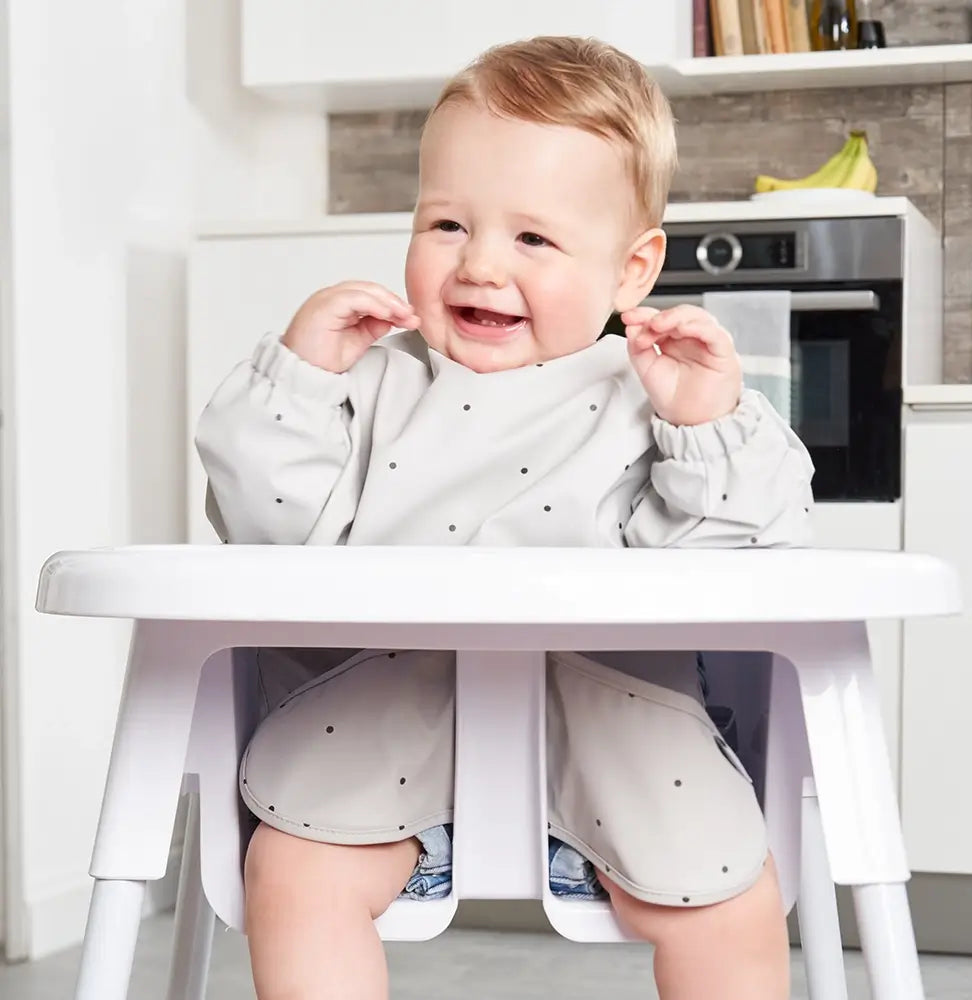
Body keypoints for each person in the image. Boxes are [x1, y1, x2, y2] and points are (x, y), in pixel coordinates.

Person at [196, 35, 814, 1000]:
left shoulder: (658, 392)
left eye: (533, 238)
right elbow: (268, 535)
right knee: (290, 872)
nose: (479, 263)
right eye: (446, 224)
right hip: (383, 729)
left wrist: (708, 428)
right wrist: (298, 384)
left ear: (630, 270)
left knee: (729, 903)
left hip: (619, 741)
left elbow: (741, 557)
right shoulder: (371, 384)